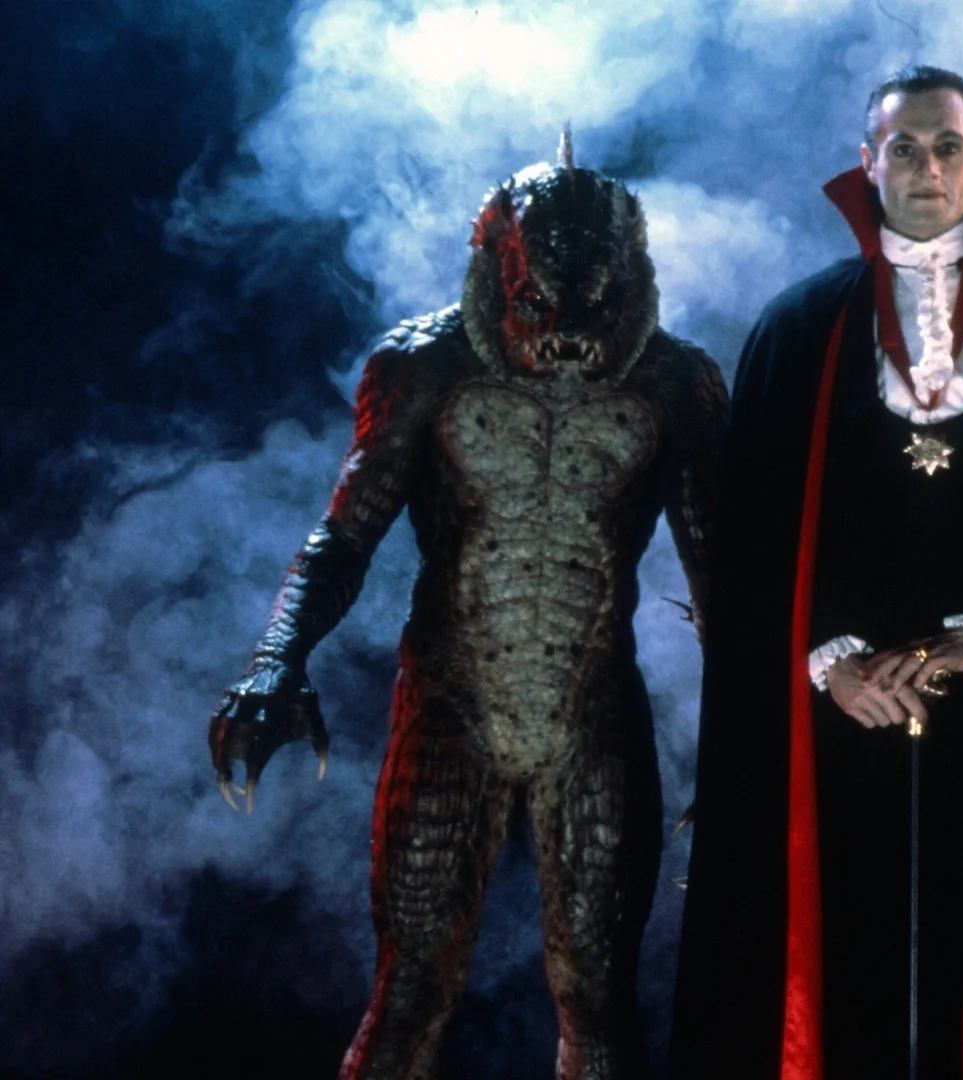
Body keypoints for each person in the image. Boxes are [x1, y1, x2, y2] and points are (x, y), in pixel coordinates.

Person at [206, 145, 728, 1080]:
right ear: (499, 274)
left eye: (592, 308)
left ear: (629, 280)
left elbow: (722, 575)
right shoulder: (423, 366)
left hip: (593, 710)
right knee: (409, 992)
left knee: (600, 1002)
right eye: (537, 305)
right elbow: (344, 536)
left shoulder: (673, 383)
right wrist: (277, 656)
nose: (565, 340)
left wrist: (749, 733)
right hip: (452, 700)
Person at [670, 66, 963, 1079]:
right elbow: (755, 554)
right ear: (868, 161)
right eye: (905, 148)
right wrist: (832, 663)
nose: (927, 168)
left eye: (947, 147)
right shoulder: (797, 326)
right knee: (854, 964)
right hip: (845, 713)